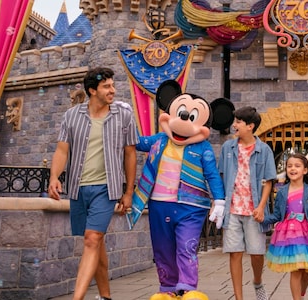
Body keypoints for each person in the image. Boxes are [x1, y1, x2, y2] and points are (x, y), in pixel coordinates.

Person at [136, 80, 233, 299]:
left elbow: (211, 175)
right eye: (180, 113)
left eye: (191, 117)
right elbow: (136, 141)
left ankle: (188, 287)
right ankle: (168, 288)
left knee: (186, 247)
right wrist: (122, 123)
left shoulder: (203, 147)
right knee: (163, 248)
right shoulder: (159, 140)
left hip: (191, 206)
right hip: (159, 204)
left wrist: (219, 201)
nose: (182, 121)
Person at [47, 67, 138, 300]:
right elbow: (61, 150)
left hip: (106, 188)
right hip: (79, 189)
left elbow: (130, 154)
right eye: (106, 86)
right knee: (95, 243)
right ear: (92, 90)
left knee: (92, 239)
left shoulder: (124, 116)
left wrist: (129, 192)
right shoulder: (71, 116)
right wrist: (55, 177)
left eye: (112, 85)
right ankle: (105, 296)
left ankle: (77, 298)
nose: (113, 90)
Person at [216, 106, 278, 300]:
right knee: (234, 253)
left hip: (253, 211)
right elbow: (220, 176)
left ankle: (258, 282)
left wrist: (261, 207)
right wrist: (217, 203)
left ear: (250, 126)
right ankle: (238, 297)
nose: (234, 125)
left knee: (257, 253)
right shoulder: (228, 148)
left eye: (238, 122)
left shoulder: (264, 150)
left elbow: (269, 181)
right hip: (232, 209)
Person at [262, 153, 308, 300]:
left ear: (305, 170)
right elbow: (277, 215)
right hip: (288, 233)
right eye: (290, 166)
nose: (293, 169)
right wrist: (263, 219)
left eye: (297, 166)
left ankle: (301, 294)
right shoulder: (282, 192)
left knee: (305, 273)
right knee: (295, 270)